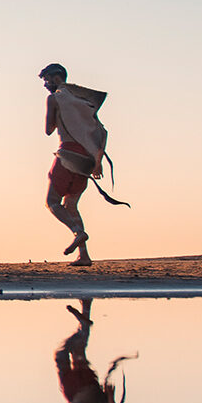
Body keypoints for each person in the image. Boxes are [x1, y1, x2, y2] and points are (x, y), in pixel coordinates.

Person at [41, 64, 115, 267]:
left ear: (56, 78)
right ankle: (84, 256)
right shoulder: (83, 101)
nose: (45, 85)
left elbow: (48, 129)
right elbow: (100, 131)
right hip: (87, 161)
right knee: (71, 205)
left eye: (46, 80)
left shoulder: (54, 98)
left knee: (52, 202)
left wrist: (58, 116)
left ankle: (78, 232)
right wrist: (98, 163)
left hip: (67, 155)